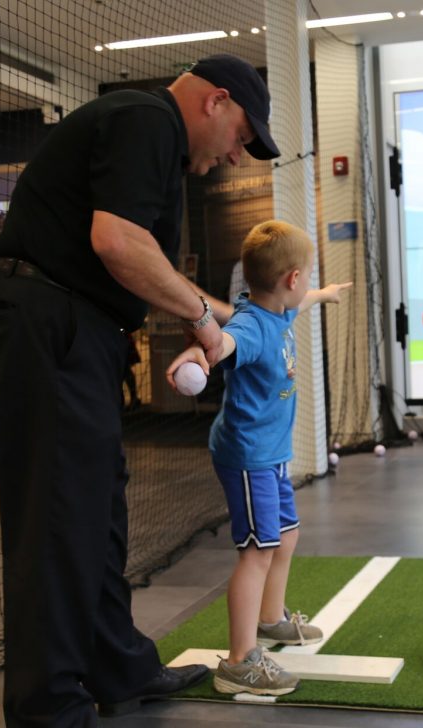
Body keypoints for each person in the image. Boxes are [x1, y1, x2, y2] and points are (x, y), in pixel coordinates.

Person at [0, 54, 281, 728]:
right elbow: (118, 243)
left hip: (76, 332)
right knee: (59, 525)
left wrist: (203, 318)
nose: (238, 152)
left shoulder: (154, 140)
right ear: (216, 101)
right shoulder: (146, 118)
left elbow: (131, 259)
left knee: (97, 516)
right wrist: (203, 313)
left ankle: (119, 669)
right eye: (244, 133)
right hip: (47, 326)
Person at [166, 221, 350, 696]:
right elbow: (228, 344)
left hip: (271, 455)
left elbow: (297, 305)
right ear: (290, 278)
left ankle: (271, 618)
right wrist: (201, 352)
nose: (307, 285)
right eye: (308, 277)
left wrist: (324, 293)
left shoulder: (276, 309)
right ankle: (239, 662)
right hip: (248, 457)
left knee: (285, 536)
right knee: (257, 552)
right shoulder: (249, 326)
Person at [122, 330, 142, 411]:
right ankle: (133, 398)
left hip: (121, 336)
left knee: (125, 371)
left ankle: (133, 398)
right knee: (125, 371)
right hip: (121, 336)